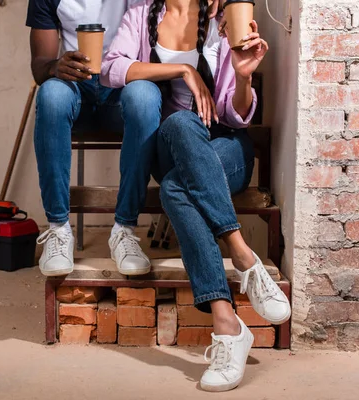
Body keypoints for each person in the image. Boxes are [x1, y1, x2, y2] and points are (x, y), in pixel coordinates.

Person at [101, 0, 291, 392]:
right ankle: (242, 256)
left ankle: (227, 324)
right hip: (171, 149)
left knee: (174, 189)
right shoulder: (140, 15)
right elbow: (111, 68)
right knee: (178, 124)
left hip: (225, 151)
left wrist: (242, 78)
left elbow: (236, 115)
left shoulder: (224, 23)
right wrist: (182, 69)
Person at [26, 0, 222, 277]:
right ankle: (58, 229)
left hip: (124, 87)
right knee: (51, 94)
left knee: (145, 95)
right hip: (75, 90)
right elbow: (39, 66)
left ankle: (125, 230)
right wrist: (55, 66)